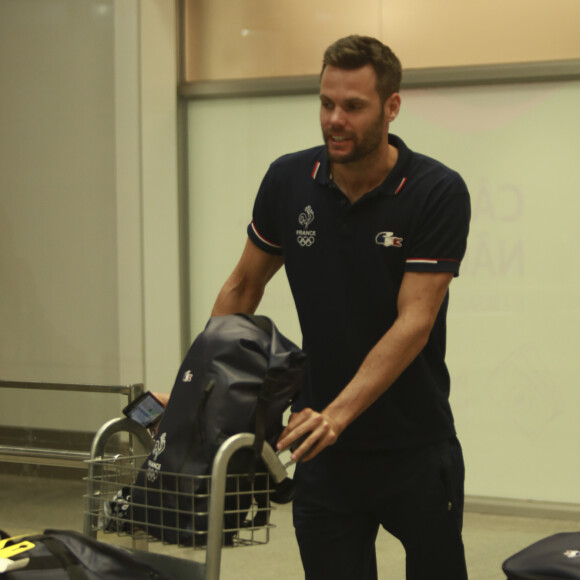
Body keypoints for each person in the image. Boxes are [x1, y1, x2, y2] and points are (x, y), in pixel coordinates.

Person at [211, 35, 470, 580]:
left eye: (353, 106)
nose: (335, 119)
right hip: (322, 451)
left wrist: (338, 414)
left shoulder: (436, 191)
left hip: (413, 446)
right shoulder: (289, 180)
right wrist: (202, 389)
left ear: (391, 106)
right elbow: (241, 287)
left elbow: (414, 321)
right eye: (327, 103)